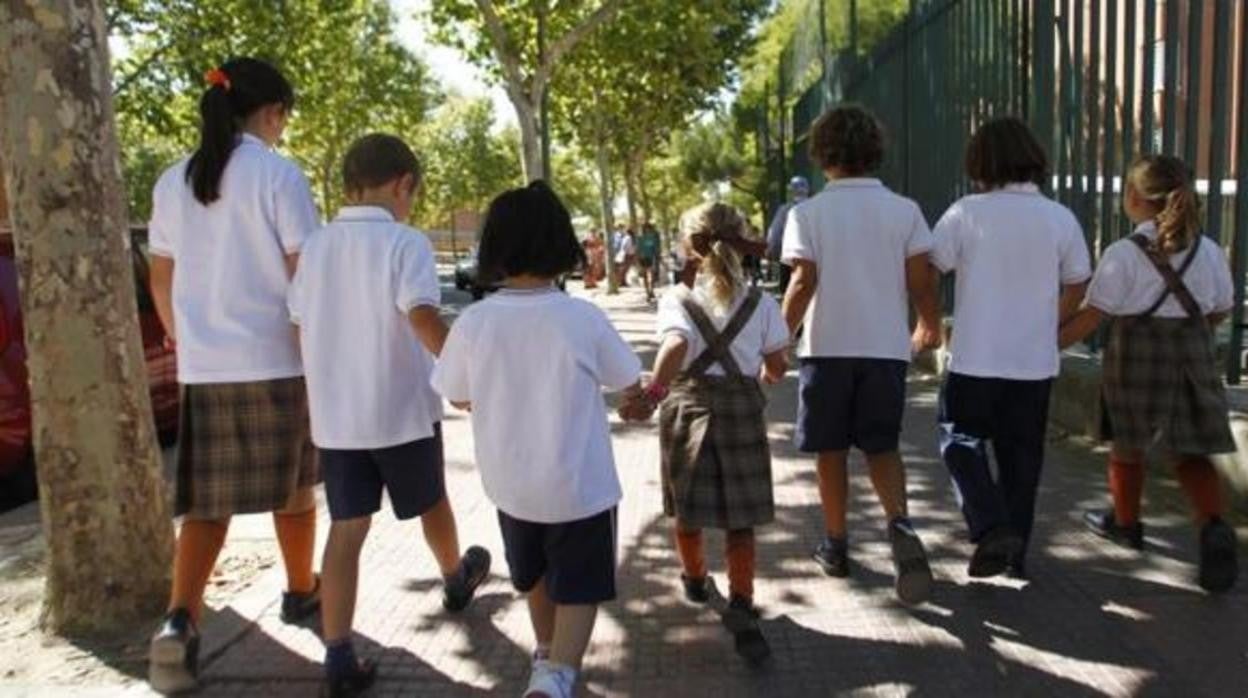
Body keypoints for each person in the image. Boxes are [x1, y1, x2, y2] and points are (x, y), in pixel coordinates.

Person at [288, 134, 492, 697]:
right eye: (412, 194)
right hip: (400, 410)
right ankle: (455, 578)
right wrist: (461, 373)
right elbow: (422, 316)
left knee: (347, 529)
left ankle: (337, 652)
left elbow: (299, 323)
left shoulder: (317, 246)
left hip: (338, 418)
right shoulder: (406, 243)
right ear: (403, 184)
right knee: (431, 501)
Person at [146, 58, 322, 694]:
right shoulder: (278, 175)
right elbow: (306, 270)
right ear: (272, 112)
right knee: (296, 488)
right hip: (278, 359)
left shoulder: (172, 182)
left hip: (205, 367)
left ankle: (177, 623)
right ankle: (301, 591)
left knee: (205, 507)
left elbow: (160, 277)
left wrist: (181, 337)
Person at [432, 182, 642, 698]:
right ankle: (556, 677)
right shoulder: (581, 318)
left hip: (510, 486)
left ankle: (546, 659)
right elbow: (627, 381)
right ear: (561, 245)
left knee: (534, 577)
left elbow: (457, 395)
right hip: (580, 486)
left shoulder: (474, 321)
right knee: (582, 586)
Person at [781, 105, 940, 605]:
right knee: (882, 446)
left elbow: (803, 281)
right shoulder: (905, 210)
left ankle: (836, 543)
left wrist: (779, 336)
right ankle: (899, 523)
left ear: (821, 153)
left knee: (830, 450)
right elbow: (921, 280)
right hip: (885, 350)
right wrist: (929, 322)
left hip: (826, 348)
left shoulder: (806, 214)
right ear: (875, 150)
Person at [1060, 154, 1239, 593]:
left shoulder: (1124, 253)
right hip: (1191, 352)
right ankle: (1213, 524)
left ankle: (1126, 523)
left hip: (1136, 355)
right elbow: (1221, 309)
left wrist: (1048, 345)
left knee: (1128, 444)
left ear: (1135, 199)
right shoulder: (1209, 249)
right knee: (1191, 451)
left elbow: (1094, 315)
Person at [623, 202, 790, 665]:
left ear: (688, 248)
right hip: (740, 412)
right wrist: (770, 371)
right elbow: (777, 365)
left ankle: (696, 580)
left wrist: (653, 392)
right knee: (741, 518)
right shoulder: (762, 302)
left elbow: (675, 345)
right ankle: (741, 600)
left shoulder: (678, 299)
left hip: (689, 411)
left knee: (688, 508)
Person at [930, 117, 1092, 579]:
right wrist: (1048, 321)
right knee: (1022, 457)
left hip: (976, 357)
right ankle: (1014, 547)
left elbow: (932, 265)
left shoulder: (965, 212)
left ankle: (990, 525)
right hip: (1034, 364)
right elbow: (1078, 281)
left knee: (959, 438)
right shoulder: (1060, 217)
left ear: (980, 161)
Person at [767, 176, 810, 294]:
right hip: (815, 260)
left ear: (791, 191)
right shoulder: (817, 207)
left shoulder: (785, 210)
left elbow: (774, 236)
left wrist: (772, 253)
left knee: (789, 293)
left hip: (789, 260)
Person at [637, 222, 662, 303]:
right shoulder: (640, 238)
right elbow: (637, 249)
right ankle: (648, 292)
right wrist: (637, 260)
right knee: (645, 276)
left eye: (648, 229)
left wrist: (657, 256)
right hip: (643, 259)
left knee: (651, 275)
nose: (647, 230)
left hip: (651, 258)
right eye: (646, 228)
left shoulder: (653, 238)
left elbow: (656, 249)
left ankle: (651, 290)